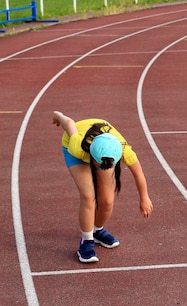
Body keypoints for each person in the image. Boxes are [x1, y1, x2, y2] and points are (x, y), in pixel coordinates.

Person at [52, 111, 153, 263]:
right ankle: (86, 241)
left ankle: (97, 230)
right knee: (88, 196)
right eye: (100, 165)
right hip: (78, 150)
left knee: (107, 201)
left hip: (103, 148)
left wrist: (144, 197)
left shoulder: (122, 150)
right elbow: (69, 122)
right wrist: (57, 116)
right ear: (93, 158)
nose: (104, 168)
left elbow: (138, 174)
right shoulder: (77, 146)